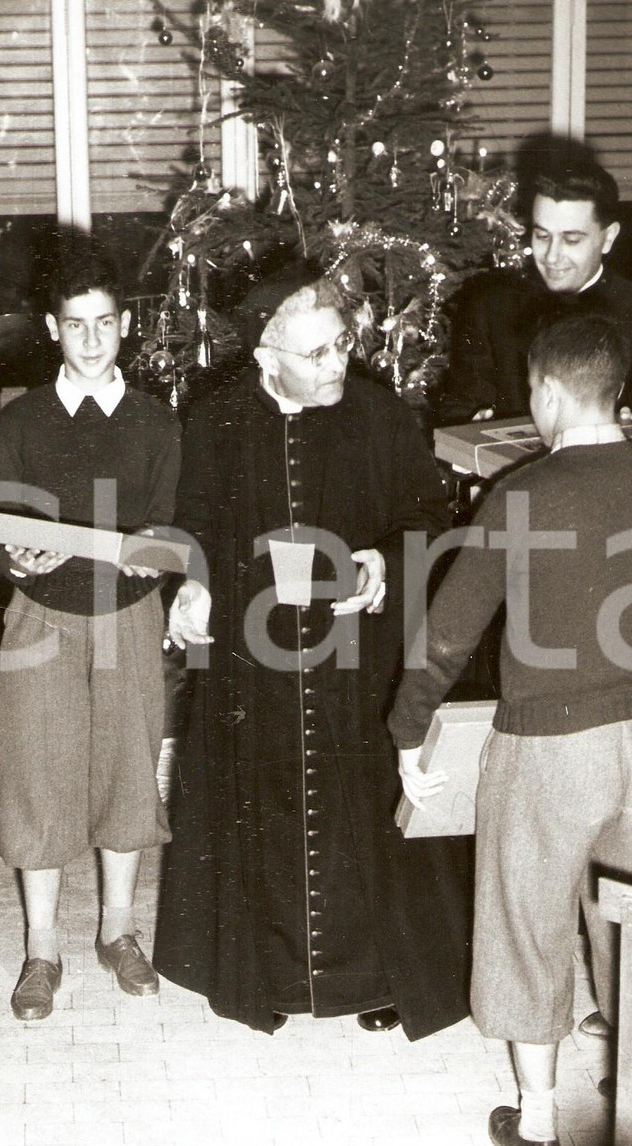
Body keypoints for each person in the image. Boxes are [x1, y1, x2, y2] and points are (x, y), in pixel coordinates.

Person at [390, 315, 632, 1146]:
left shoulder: (521, 495)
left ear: (548, 392)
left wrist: (411, 730)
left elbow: (449, 632)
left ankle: (541, 1123)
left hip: (547, 746)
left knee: (525, 925)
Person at [154, 266, 472, 1038]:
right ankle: (271, 977)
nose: (338, 363)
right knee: (261, 807)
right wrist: (190, 585)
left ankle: (377, 974)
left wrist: (386, 562)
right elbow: (188, 523)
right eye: (317, 353)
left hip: (357, 654)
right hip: (252, 660)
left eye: (341, 345)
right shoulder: (218, 418)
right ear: (267, 357)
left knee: (362, 809)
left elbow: (428, 514)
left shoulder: (378, 411)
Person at [0, 242, 179, 1021]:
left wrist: (155, 559)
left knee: (127, 771)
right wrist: (15, 551)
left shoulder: (156, 420)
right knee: (37, 776)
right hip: (42, 619)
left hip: (128, 618)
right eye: (75, 326)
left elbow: (172, 518)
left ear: (125, 325)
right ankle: (41, 947)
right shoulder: (22, 418)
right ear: (52, 330)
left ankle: (119, 932)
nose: (92, 341)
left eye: (105, 324)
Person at [439, 157, 632, 425]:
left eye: (571, 240)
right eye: (543, 236)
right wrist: (472, 422)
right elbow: (458, 404)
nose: (552, 256)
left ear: (609, 238)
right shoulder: (491, 306)